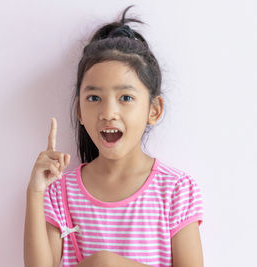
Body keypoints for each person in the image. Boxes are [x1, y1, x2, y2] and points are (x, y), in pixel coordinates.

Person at [24, 5, 204, 267]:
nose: (108, 112)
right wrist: (35, 192)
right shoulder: (59, 191)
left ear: (154, 110)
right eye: (94, 98)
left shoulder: (176, 190)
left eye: (126, 98)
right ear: (80, 111)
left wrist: (109, 263)